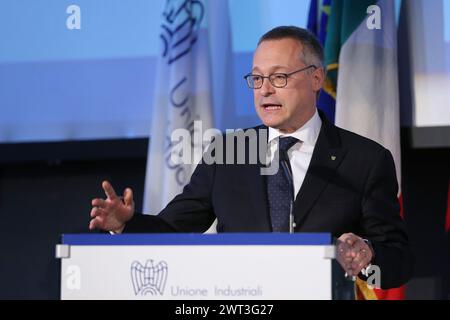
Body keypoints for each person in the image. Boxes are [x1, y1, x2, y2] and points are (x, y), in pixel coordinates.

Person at [89, 26, 413, 290]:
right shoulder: (227, 154)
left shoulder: (365, 160)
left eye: (279, 77)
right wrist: (126, 224)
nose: (264, 90)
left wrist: (368, 256)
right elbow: (171, 229)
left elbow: (398, 263)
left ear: (316, 79)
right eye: (257, 79)